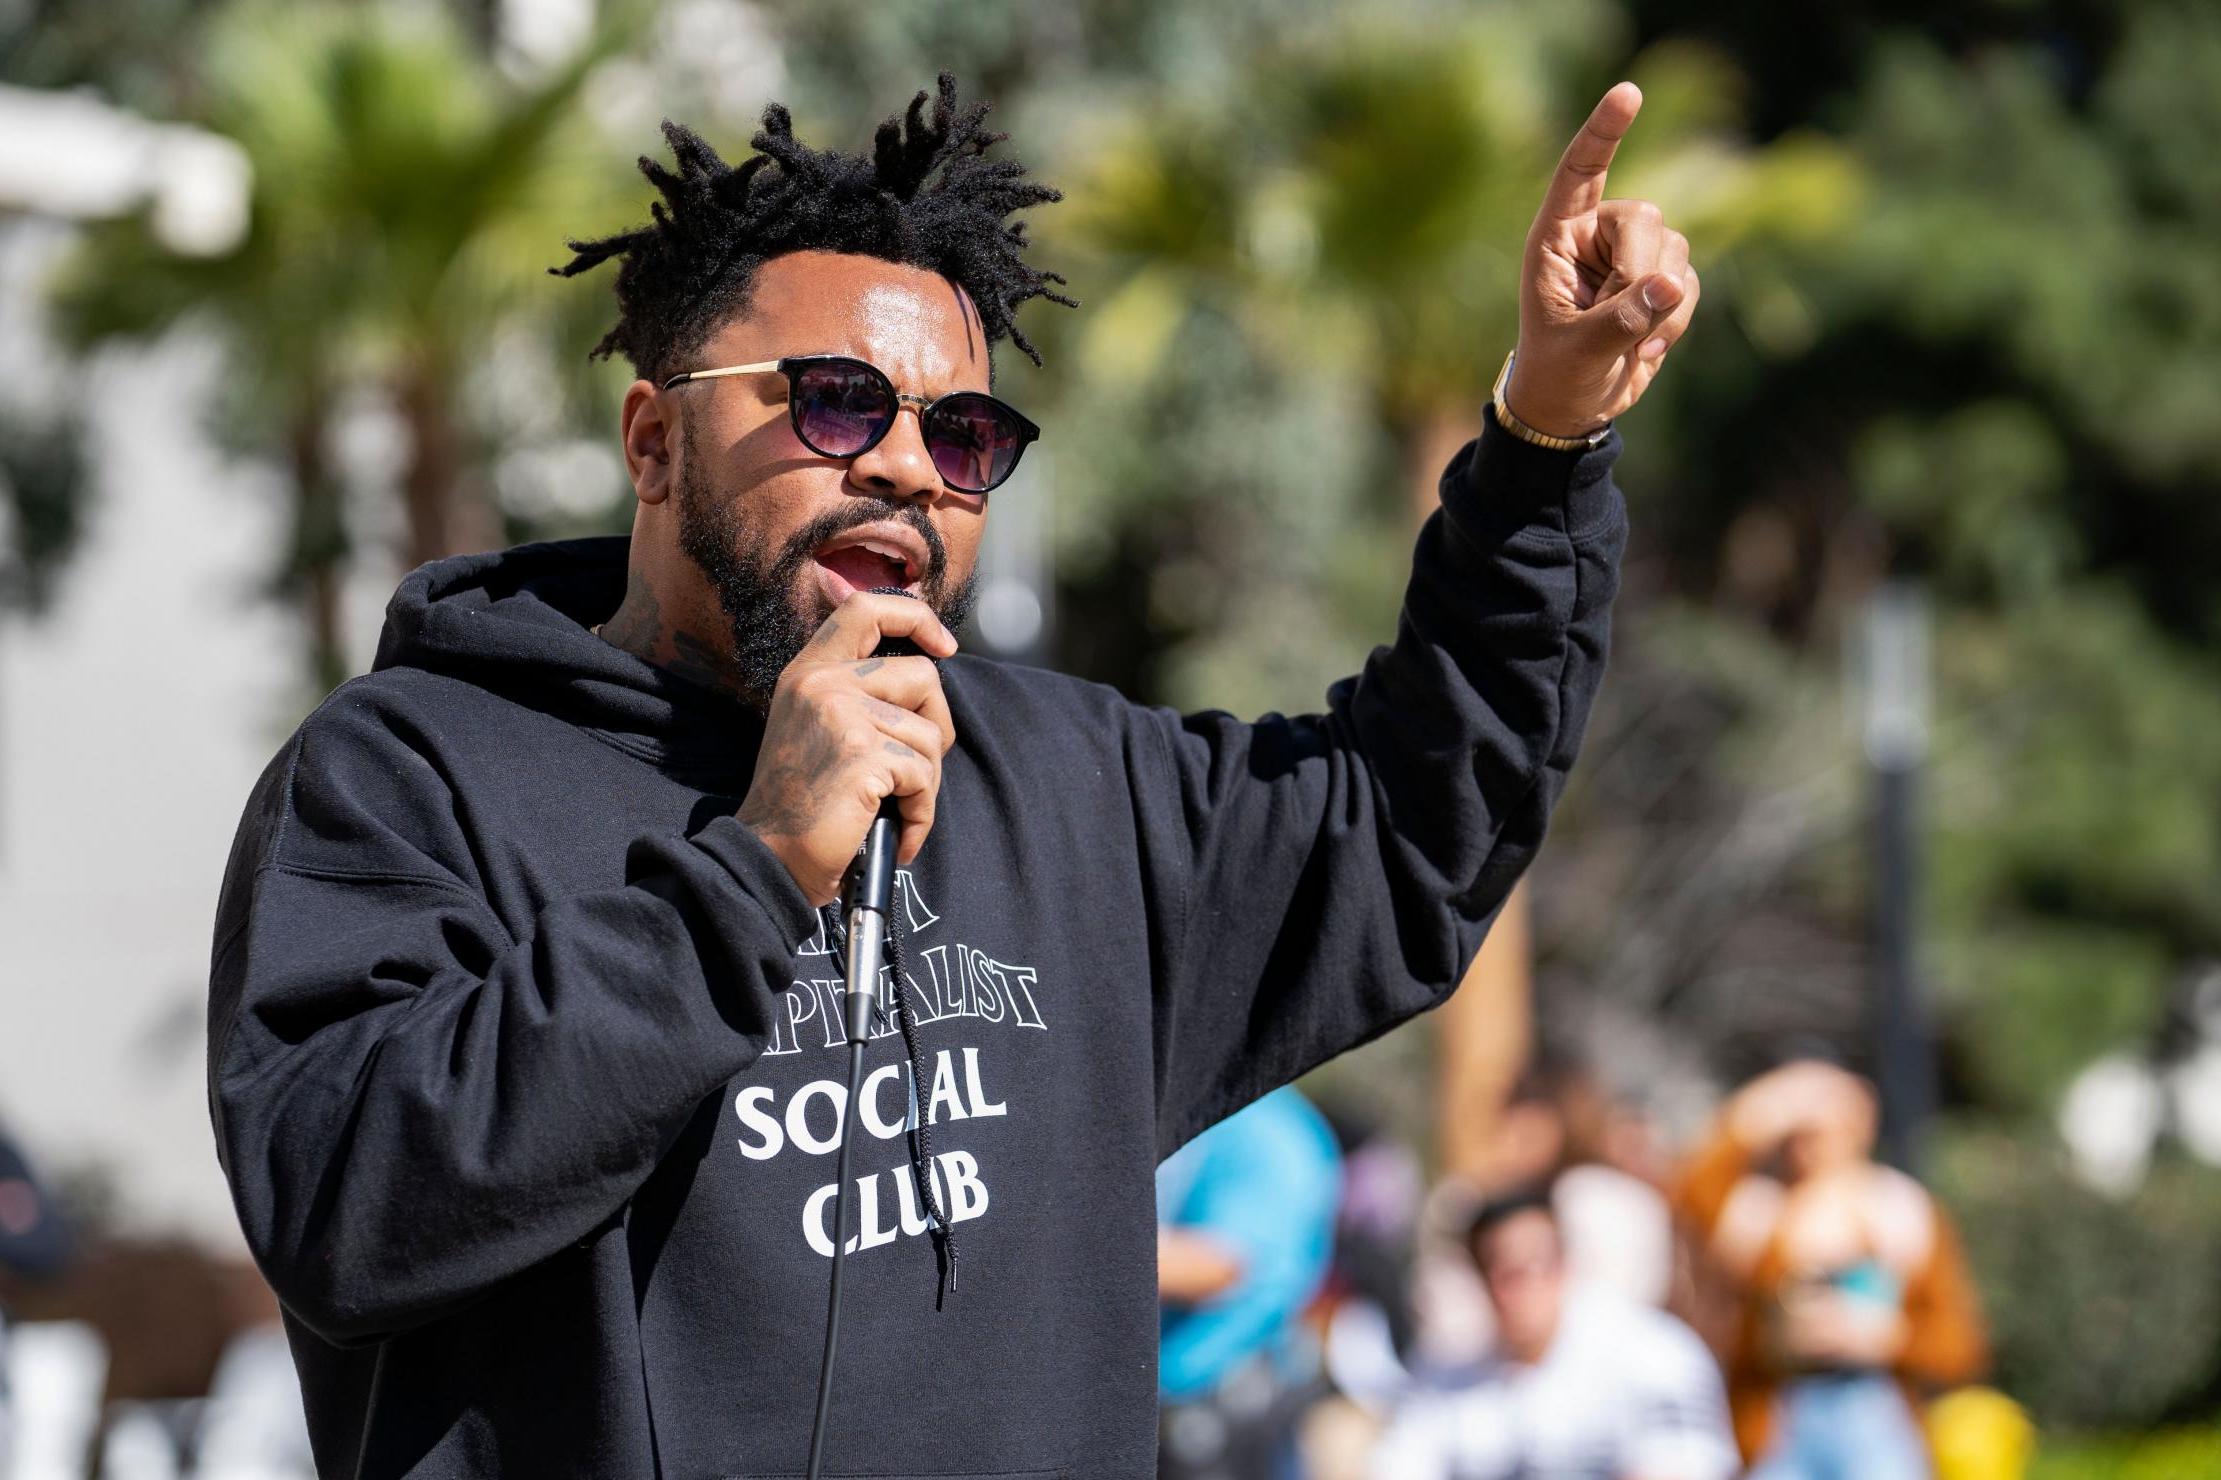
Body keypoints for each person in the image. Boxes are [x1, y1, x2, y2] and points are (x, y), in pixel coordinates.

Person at [206, 73, 1699, 1479]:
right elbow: (344, 1204)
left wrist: (1542, 445)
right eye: (837, 401)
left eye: (966, 434)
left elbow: (1406, 828)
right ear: (654, 439)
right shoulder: (404, 778)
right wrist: (755, 872)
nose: (909, 466)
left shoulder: (1066, 777)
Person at [1676, 1060, 1988, 1478]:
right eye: (1803, 1130)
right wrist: (1762, 1107)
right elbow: (1687, 1192)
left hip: (1876, 1410)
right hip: (1778, 1415)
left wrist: (1888, 1339)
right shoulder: (1757, 1211)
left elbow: (1961, 1346)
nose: (1815, 1143)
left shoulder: (1902, 1211)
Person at [1371, 1187, 1737, 1480]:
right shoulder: (1446, 1374)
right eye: (1501, 1272)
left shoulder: (1654, 1355)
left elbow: (1683, 1467)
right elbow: (1401, 1462)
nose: (1521, 1287)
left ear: (1566, 1261)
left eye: (1536, 1264)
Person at [1155, 1086, 1340, 1480]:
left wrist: (1064, 1254)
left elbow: (1220, 1265)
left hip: (1215, 1410)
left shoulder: (1264, 1124)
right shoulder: (1193, 1108)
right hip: (1170, 1407)